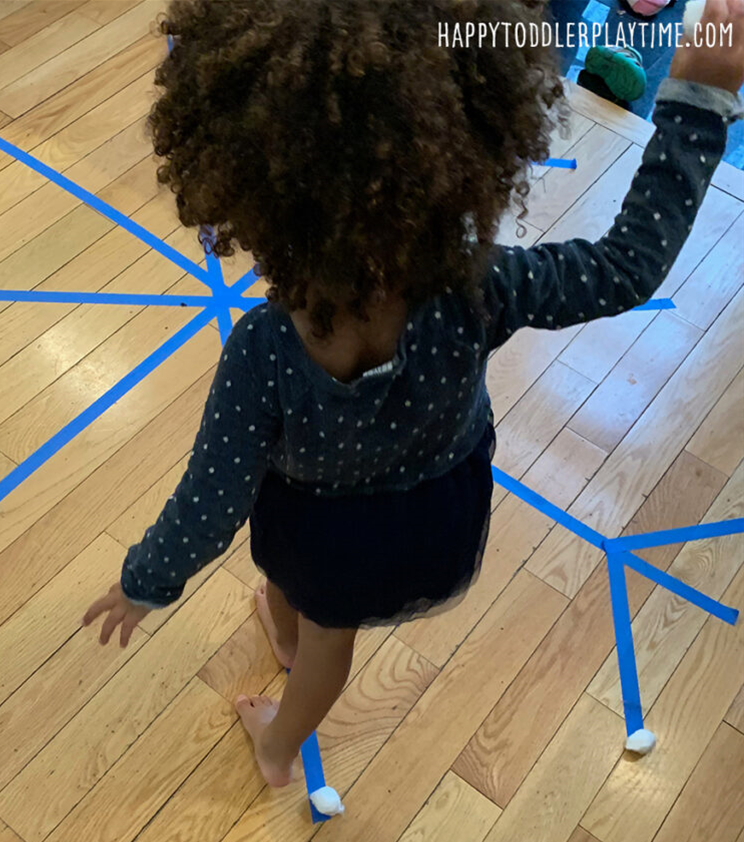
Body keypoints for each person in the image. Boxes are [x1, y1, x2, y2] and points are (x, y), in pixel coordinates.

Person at [85, 0, 744, 789]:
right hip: (437, 517)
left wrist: (143, 582)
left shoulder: (263, 350)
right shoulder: (480, 286)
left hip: (319, 534)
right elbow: (624, 266)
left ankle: (277, 744)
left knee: (325, 637)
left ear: (251, 193)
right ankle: (290, 643)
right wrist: (700, 100)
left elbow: (210, 500)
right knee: (317, 622)